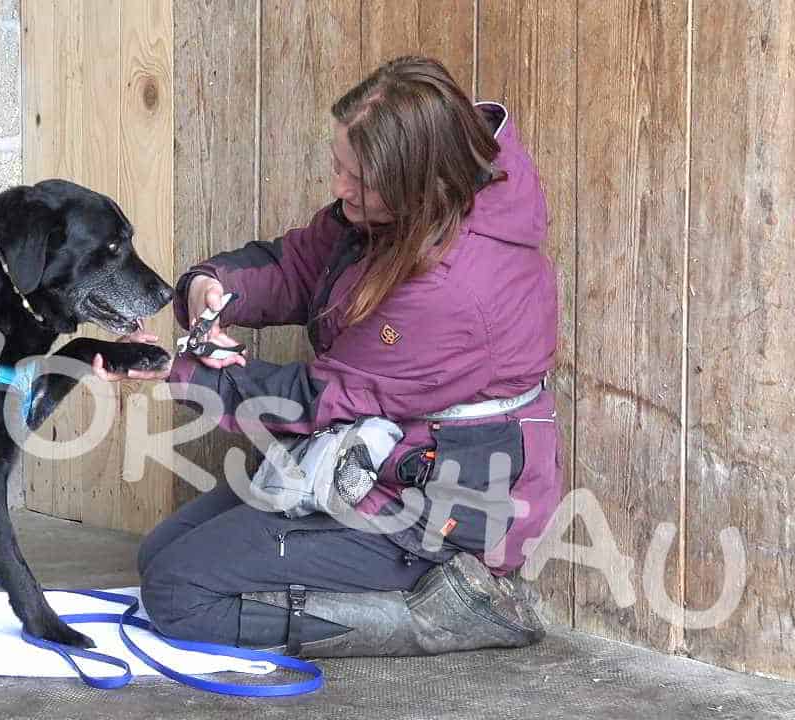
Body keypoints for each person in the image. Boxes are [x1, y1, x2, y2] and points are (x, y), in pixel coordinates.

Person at [122, 55, 562, 657]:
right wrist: (211, 289)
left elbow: (319, 399)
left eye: (359, 179)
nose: (340, 189)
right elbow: (302, 266)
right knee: (158, 555)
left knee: (178, 593)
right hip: (367, 457)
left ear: (419, 181)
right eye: (338, 167)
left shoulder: (457, 290)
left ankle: (447, 614)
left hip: (435, 512)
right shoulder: (406, 208)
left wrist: (178, 370)